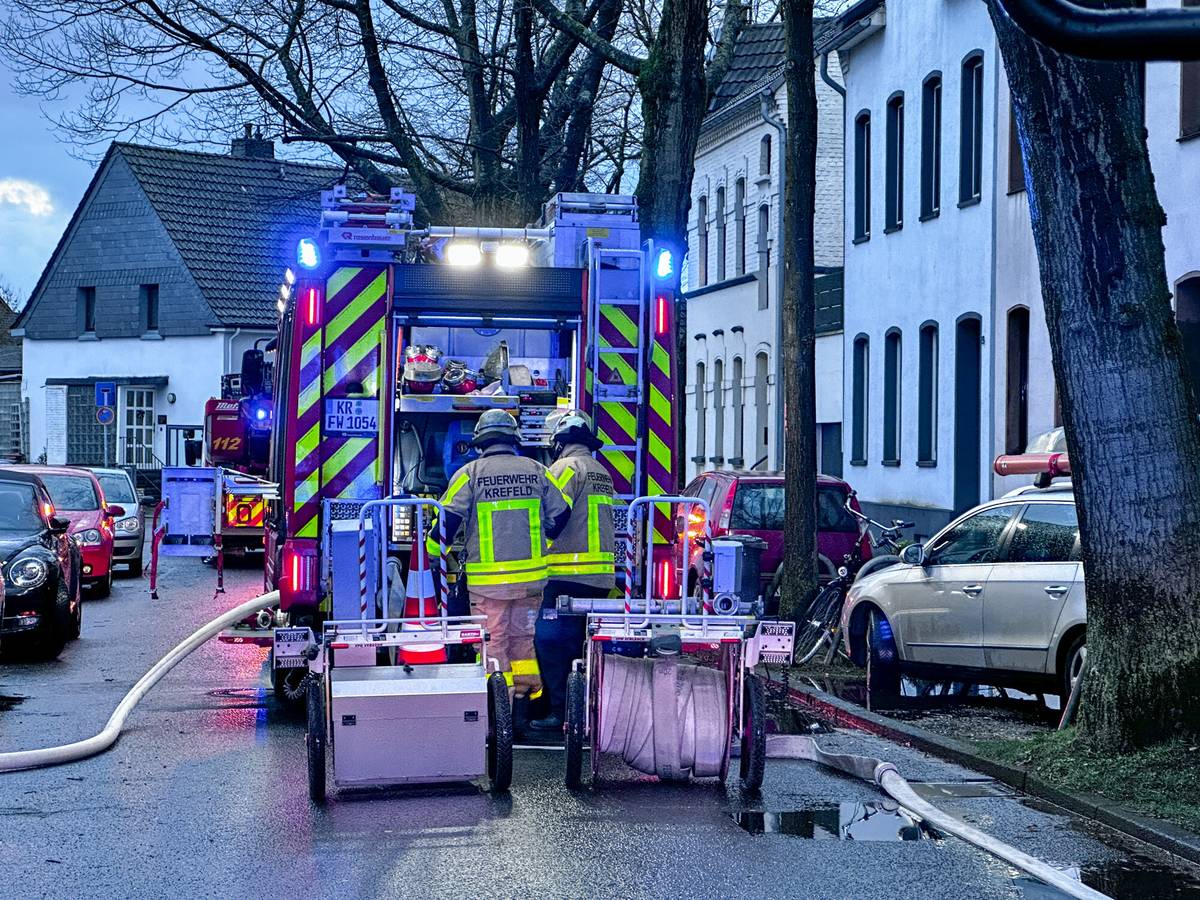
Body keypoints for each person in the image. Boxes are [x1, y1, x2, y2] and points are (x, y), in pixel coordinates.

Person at [432, 409, 570, 701]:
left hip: (489, 584)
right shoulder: (537, 471)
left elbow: (449, 519)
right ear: (513, 439)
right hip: (531, 582)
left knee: (492, 642)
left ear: (480, 441)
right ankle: (525, 700)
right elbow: (561, 516)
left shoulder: (470, 474)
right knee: (522, 640)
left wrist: (433, 552)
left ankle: (497, 707)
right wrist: (541, 543)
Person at [529, 409, 615, 732]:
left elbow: (556, 512)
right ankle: (583, 711)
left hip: (567, 575)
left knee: (550, 644)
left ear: (559, 443)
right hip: (600, 579)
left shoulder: (566, 467)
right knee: (581, 647)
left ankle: (559, 713)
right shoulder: (600, 471)